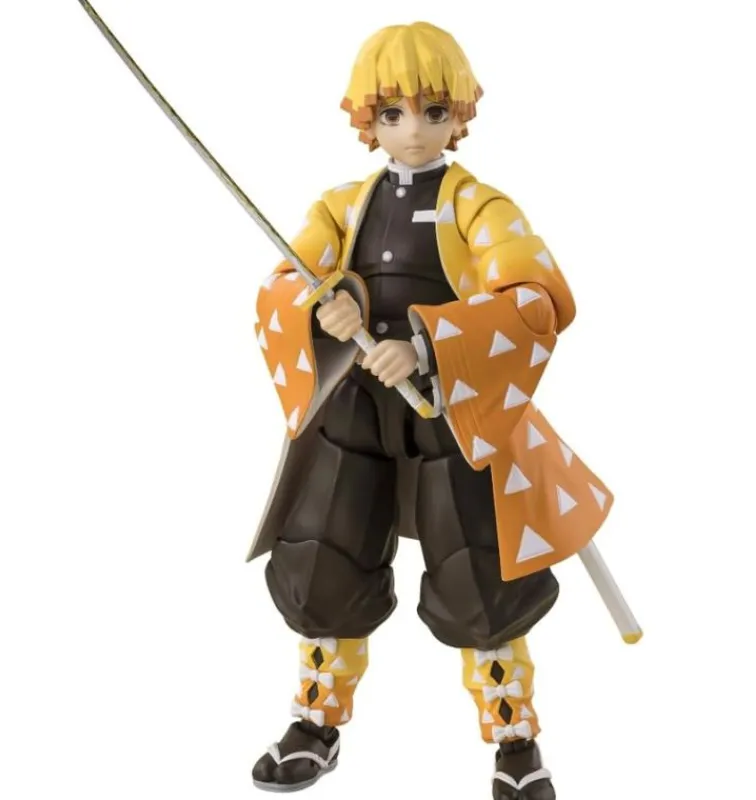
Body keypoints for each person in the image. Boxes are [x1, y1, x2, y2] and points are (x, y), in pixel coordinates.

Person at [248, 21, 613, 799]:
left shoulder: (481, 208)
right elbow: (284, 282)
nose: (413, 131)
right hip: (355, 409)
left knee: (479, 575)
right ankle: (316, 719)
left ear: (459, 115)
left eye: (432, 112)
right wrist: (327, 306)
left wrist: (428, 344)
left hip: (451, 414)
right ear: (367, 120)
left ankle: (515, 737)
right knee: (323, 559)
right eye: (392, 114)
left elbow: (534, 299)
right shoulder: (341, 208)